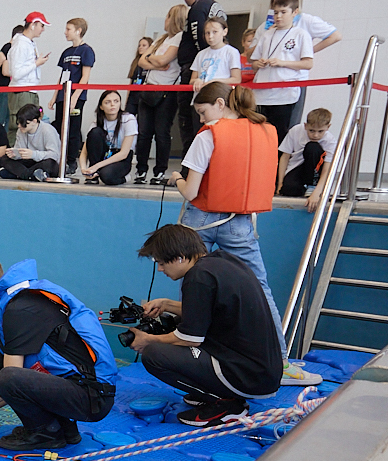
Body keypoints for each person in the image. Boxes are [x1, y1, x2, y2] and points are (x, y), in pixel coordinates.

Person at [168, 82, 320, 386]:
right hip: (240, 220)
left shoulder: (209, 135)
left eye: (203, 111)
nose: (201, 119)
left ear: (221, 104)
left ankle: (197, 354)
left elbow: (192, 190)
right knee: (259, 288)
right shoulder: (264, 131)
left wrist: (176, 179)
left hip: (200, 218)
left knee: (195, 286)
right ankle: (281, 361)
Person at [0, 256, 118, 451]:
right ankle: (63, 427)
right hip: (77, 385)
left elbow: (10, 382)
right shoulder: (17, 300)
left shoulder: (19, 309)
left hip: (93, 397)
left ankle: (45, 433)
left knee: (8, 376)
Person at [131, 224, 281, 426]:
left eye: (161, 263)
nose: (160, 269)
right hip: (261, 371)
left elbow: (189, 338)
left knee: (154, 354)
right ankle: (217, 392)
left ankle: (227, 404)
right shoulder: (221, 262)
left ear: (180, 256)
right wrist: (167, 305)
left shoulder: (197, 277)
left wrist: (147, 340)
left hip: (247, 377)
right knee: (173, 325)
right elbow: (211, 310)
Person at [254, 0, 342, 127]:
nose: (279, 14)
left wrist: (306, 52)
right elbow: (252, 54)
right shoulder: (267, 28)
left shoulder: (305, 21)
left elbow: (335, 36)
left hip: (292, 82)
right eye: (277, 8)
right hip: (266, 86)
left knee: (286, 126)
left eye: (286, 4)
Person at [133, 4, 187, 186]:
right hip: (148, 88)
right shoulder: (161, 40)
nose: (165, 20)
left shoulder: (180, 38)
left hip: (167, 91)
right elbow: (141, 60)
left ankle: (159, 170)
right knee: (144, 133)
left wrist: (153, 60)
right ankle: (141, 170)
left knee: (161, 132)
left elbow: (164, 60)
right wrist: (154, 62)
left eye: (168, 16)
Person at [251, 0, 314, 144]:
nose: (278, 16)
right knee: (258, 137)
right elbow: (253, 64)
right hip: (261, 95)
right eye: (276, 12)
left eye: (283, 12)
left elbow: (308, 64)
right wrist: (258, 64)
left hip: (283, 95)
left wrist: (282, 62)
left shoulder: (300, 34)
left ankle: (277, 167)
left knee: (279, 138)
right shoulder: (267, 34)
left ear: (295, 12)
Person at [177, 0, 226, 143]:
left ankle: (189, 164)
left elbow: (201, 40)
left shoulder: (198, 8)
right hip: (205, 70)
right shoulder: (213, 5)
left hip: (197, 70)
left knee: (189, 120)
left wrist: (205, 66)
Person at [49, 17, 94, 173]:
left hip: (76, 97)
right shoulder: (66, 52)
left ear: (78, 31)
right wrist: (55, 96)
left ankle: (71, 161)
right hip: (63, 95)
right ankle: (60, 158)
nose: (65, 32)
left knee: (73, 129)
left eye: (68, 29)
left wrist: (75, 96)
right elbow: (62, 76)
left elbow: (85, 76)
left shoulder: (86, 50)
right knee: (60, 128)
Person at [6, 13, 50, 144]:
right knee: (19, 125)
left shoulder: (29, 43)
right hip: (21, 91)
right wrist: (36, 63)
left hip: (29, 90)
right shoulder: (21, 45)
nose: (43, 29)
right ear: (33, 25)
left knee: (31, 126)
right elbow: (17, 73)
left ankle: (26, 155)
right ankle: (13, 157)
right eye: (41, 25)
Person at [79, 90, 137, 185]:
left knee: (106, 176)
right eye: (107, 102)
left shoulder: (128, 119)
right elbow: (85, 151)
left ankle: (125, 178)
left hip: (120, 157)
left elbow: (124, 153)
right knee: (95, 132)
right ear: (101, 107)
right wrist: (84, 169)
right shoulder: (96, 122)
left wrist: (96, 167)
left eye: (116, 101)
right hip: (105, 154)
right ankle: (93, 175)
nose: (112, 105)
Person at [278, 107, 336, 200]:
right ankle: (302, 187)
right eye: (311, 130)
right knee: (288, 190)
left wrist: (318, 191)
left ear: (328, 127)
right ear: (305, 126)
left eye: (320, 131)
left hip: (315, 171)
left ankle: (312, 185)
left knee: (312, 147)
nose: (315, 135)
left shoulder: (330, 140)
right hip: (298, 167)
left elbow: (327, 168)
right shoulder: (295, 130)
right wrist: (280, 183)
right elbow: (285, 156)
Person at [0, 103, 60, 182]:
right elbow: (20, 151)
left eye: (23, 123)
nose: (19, 126)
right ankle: (32, 175)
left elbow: (54, 155)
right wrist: (14, 154)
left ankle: (19, 175)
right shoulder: (21, 131)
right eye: (18, 123)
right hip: (29, 162)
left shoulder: (48, 130)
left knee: (51, 164)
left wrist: (33, 154)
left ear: (34, 121)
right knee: (4, 159)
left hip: (43, 161)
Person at [190, 17, 241, 92]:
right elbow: (192, 80)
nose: (210, 36)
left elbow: (236, 79)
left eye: (215, 32)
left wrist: (215, 81)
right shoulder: (201, 54)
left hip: (220, 94)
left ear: (224, 31)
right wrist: (196, 81)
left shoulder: (231, 52)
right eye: (207, 33)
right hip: (201, 95)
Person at [0, 24, 25, 130]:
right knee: (1, 117)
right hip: (4, 88)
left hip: (8, 88)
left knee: (9, 118)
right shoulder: (8, 48)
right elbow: (5, 71)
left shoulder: (11, 48)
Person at [123, 36, 153, 117]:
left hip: (144, 97)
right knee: (128, 117)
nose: (140, 47)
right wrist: (127, 100)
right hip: (133, 96)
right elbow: (131, 81)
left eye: (144, 45)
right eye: (139, 45)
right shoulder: (135, 62)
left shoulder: (152, 63)